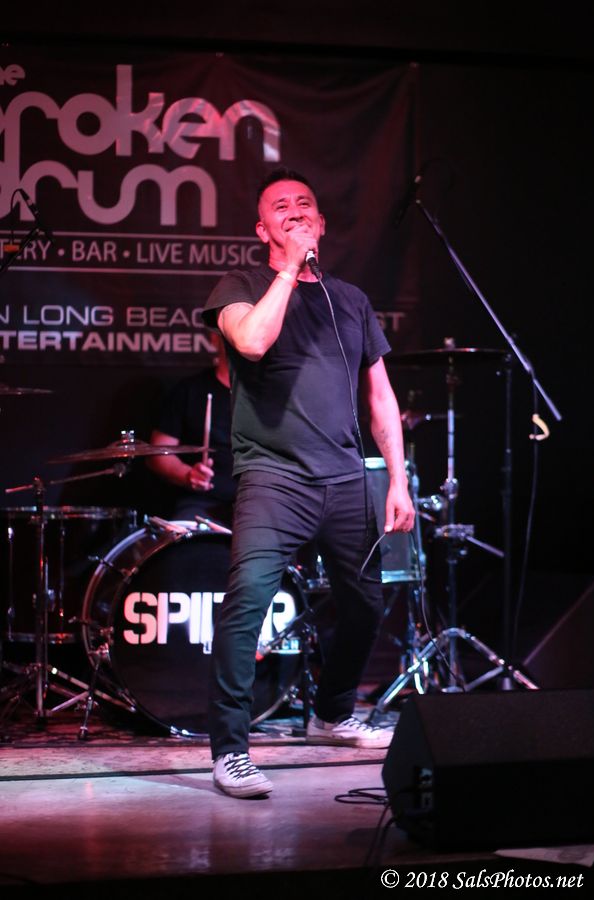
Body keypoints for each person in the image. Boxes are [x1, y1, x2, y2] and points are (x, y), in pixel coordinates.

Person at [202, 166, 415, 798]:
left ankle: (332, 712)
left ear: (321, 222)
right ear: (261, 228)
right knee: (247, 603)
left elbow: (380, 397)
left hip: (347, 477)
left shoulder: (351, 300)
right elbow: (253, 342)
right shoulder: (240, 286)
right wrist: (290, 269)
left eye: (304, 205)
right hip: (273, 478)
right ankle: (230, 751)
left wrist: (396, 480)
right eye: (280, 207)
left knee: (367, 603)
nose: (294, 211)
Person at [146, 332, 235, 526]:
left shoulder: (270, 395)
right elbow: (158, 454)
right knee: (186, 536)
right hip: (203, 502)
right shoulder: (190, 390)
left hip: (259, 502)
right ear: (214, 337)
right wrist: (188, 474)